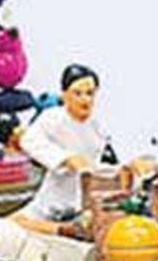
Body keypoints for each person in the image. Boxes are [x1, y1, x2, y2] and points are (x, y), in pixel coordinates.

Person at [16, 63, 124, 229]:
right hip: (53, 202)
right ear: (65, 94)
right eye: (78, 93)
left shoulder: (97, 124)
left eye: (90, 93)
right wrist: (66, 159)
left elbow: (104, 161)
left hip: (87, 201)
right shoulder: (53, 118)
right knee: (15, 225)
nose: (85, 99)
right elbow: (29, 140)